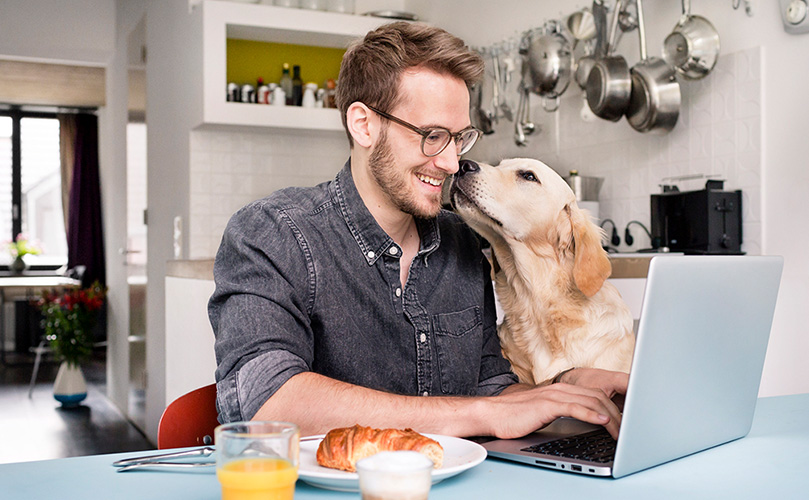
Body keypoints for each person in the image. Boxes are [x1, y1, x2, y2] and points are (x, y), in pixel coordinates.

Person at [209, 22, 627, 439]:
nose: (450, 163)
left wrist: (563, 388)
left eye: (459, 138)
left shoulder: (463, 242)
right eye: (432, 136)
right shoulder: (270, 234)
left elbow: (489, 386)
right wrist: (479, 415)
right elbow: (267, 402)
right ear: (364, 125)